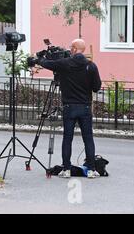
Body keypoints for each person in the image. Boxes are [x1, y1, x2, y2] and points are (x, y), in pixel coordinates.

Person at [38, 39, 102, 178]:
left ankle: (66, 169)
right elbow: (96, 88)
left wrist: (38, 60)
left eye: (70, 47)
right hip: (85, 107)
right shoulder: (91, 66)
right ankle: (91, 169)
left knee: (68, 138)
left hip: (69, 107)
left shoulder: (64, 64)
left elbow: (49, 64)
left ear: (73, 49)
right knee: (88, 138)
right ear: (83, 50)